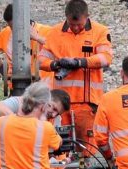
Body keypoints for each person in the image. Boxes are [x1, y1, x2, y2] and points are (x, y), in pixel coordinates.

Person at [39, 0, 113, 156]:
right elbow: (40, 60)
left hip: (86, 104)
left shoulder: (99, 31)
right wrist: (55, 64)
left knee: (85, 150)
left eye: (79, 24)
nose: (75, 28)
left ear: (87, 17)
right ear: (66, 17)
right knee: (59, 148)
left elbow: (106, 58)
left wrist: (80, 62)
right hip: (60, 104)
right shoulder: (54, 32)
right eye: (72, 24)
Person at [0, 4, 52, 89]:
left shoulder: (46, 31)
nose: (14, 31)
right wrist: (3, 70)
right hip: (17, 89)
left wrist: (37, 38)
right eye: (11, 27)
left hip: (43, 91)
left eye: (17, 27)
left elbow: (59, 49)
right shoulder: (6, 33)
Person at [0, 89, 71, 125]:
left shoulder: (49, 121)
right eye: (54, 108)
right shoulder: (23, 102)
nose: (53, 115)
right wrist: (20, 124)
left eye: (57, 114)